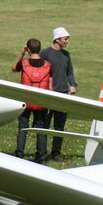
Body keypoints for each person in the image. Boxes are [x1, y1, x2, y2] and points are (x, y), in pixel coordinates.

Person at [11, 38, 51, 163]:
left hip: (26, 100)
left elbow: (13, 68)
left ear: (28, 49)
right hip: (41, 101)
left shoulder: (24, 63)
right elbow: (50, 84)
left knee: (23, 127)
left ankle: (19, 153)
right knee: (41, 129)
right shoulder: (48, 65)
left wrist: (22, 53)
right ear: (40, 48)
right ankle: (41, 155)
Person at [39, 27, 76, 162]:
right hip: (49, 95)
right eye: (65, 39)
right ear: (57, 40)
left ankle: (56, 153)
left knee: (60, 127)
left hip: (63, 94)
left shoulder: (66, 55)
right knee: (45, 125)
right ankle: (41, 153)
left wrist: (72, 85)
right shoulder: (45, 53)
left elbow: (69, 72)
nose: (67, 42)